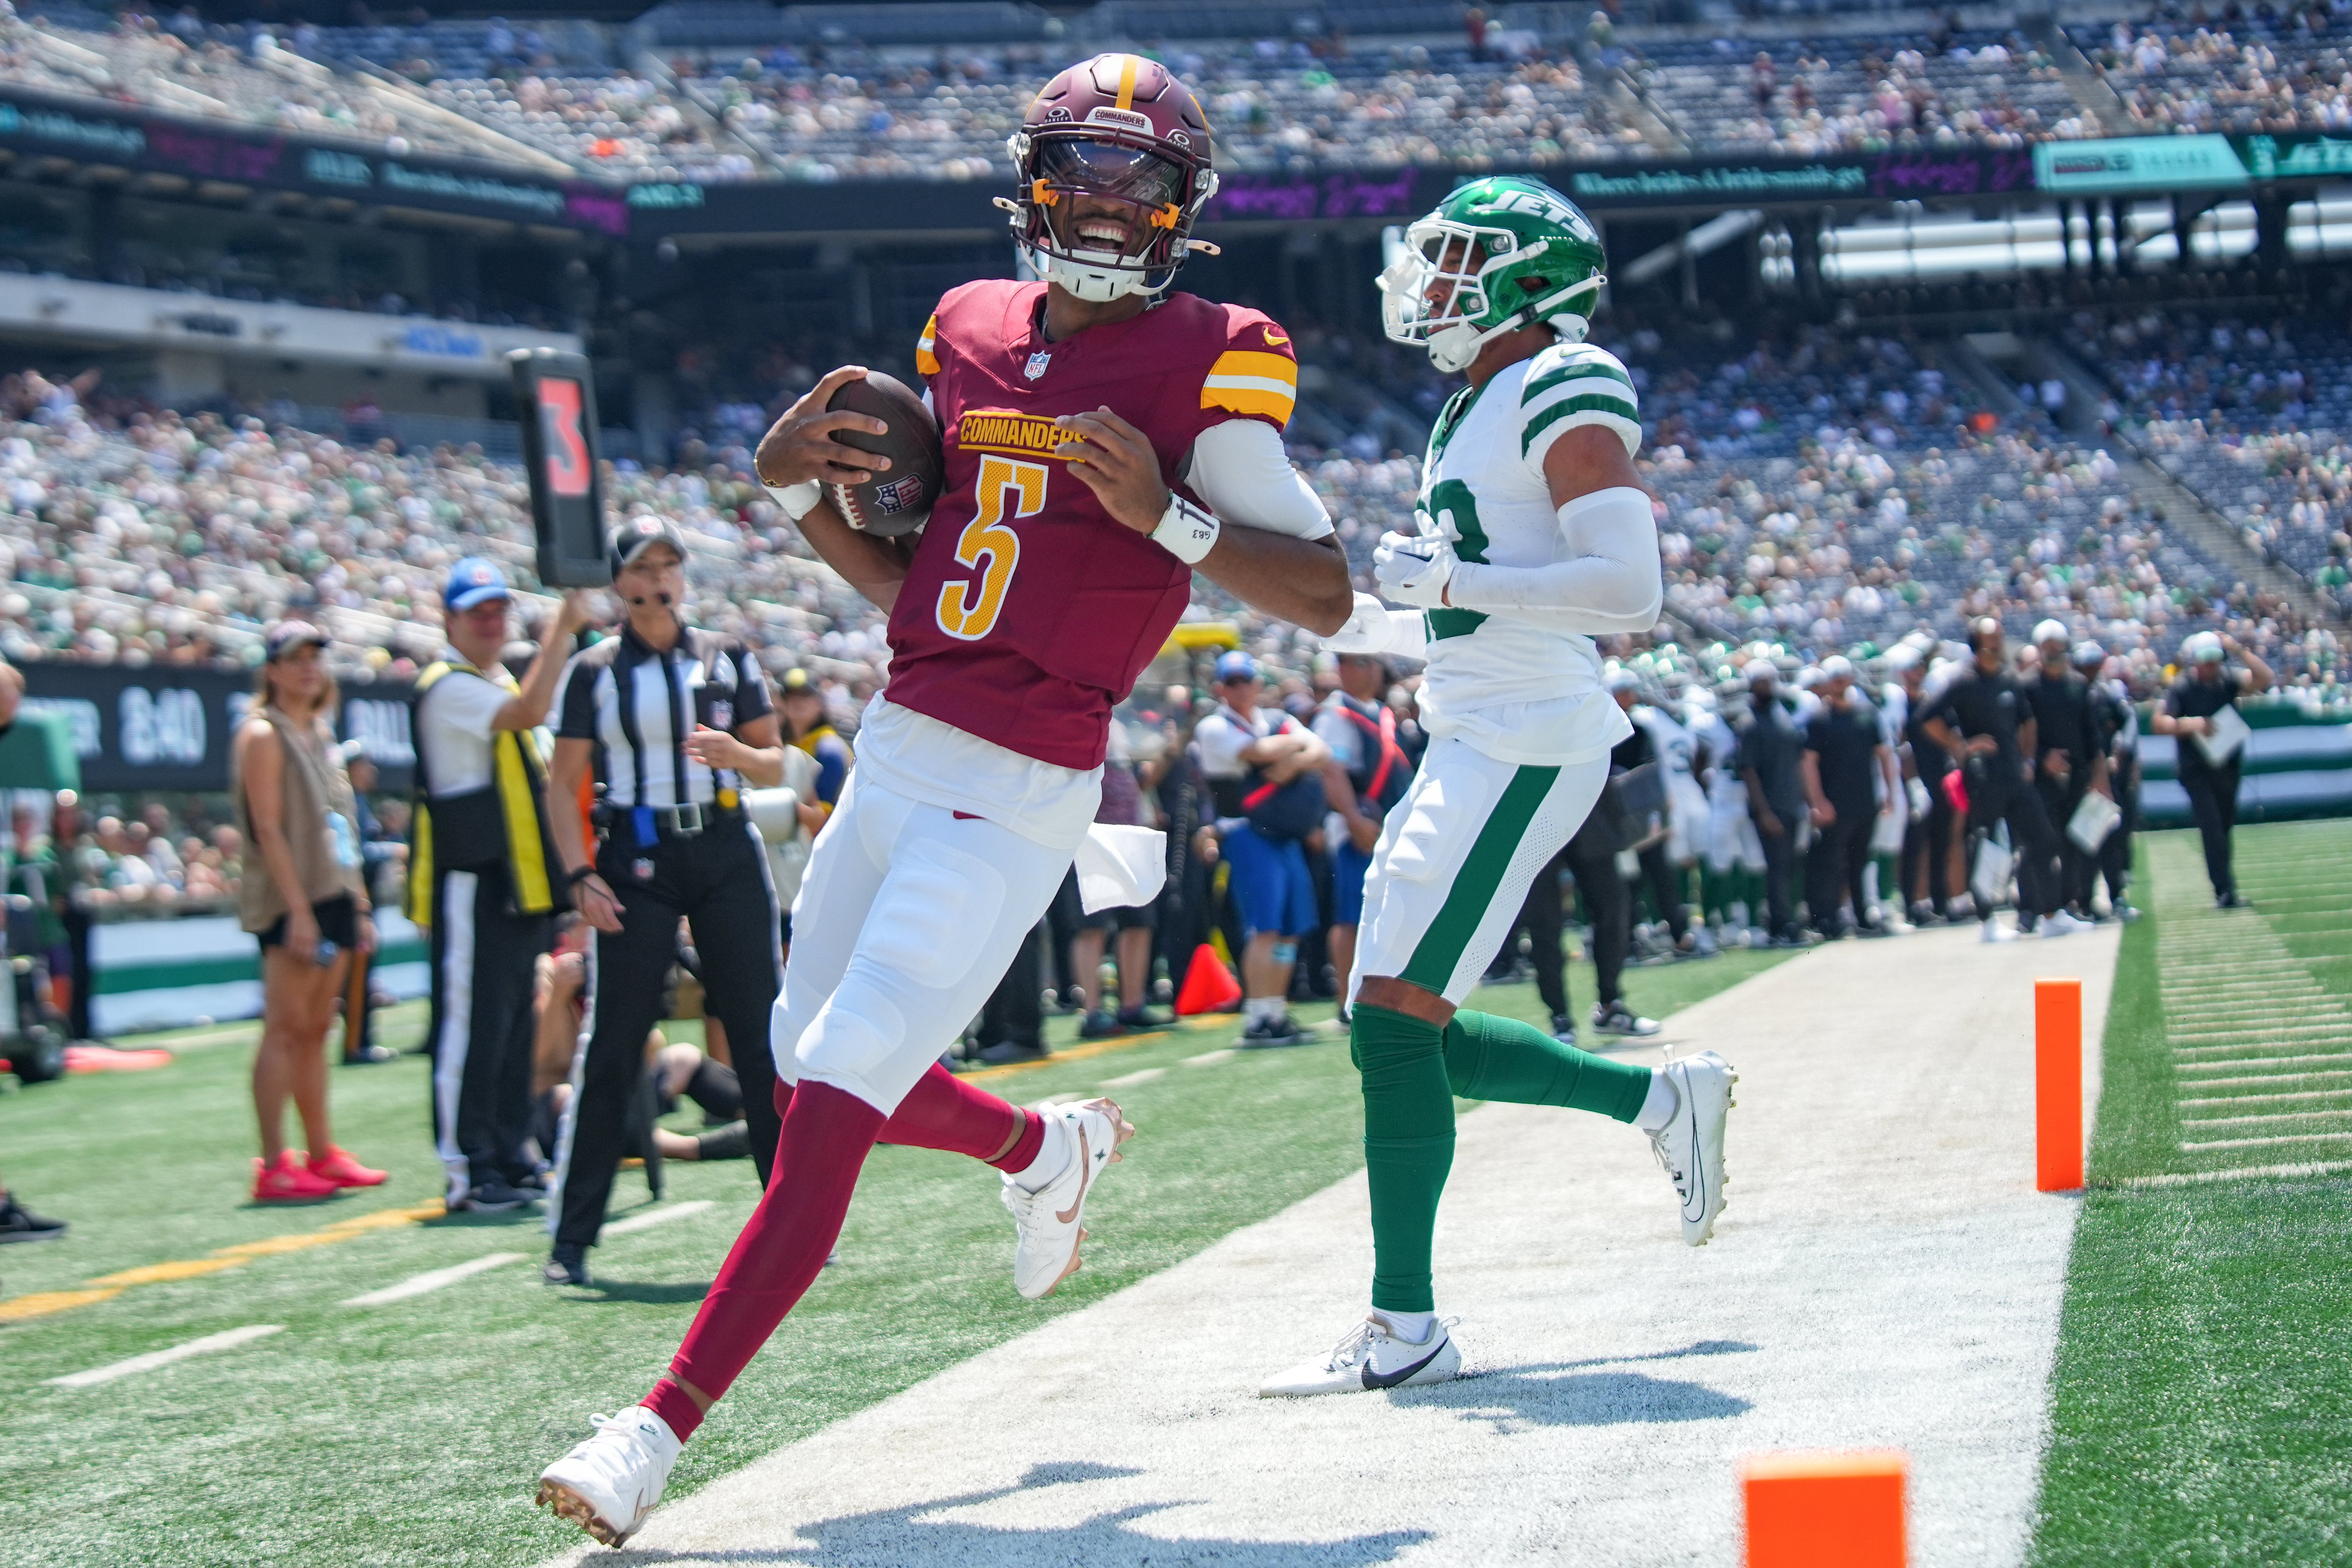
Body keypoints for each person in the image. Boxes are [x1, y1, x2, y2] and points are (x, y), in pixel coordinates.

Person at [534, 52, 1352, 1547]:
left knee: (831, 1098)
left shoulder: (1221, 352)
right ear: (1032, 181)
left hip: (1023, 787)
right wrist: (797, 502)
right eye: (1084, 173)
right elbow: (922, 591)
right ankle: (1046, 1149)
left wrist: (1164, 515)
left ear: (1184, 208)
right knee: (798, 1061)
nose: (1109, 204)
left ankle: (653, 1431)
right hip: (899, 741)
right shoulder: (966, 328)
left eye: (1142, 180)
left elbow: (1326, 589)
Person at [1262, 175, 1734, 1398]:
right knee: (1402, 1029)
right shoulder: (1473, 401)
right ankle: (1656, 1098)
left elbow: (1630, 590)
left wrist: (1456, 590)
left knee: (1391, 1024)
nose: (1429, 278)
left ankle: (1407, 1324)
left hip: (1530, 736)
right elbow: (1457, 605)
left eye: (1457, 257)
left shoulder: (1561, 377)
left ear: (1524, 280)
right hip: (1473, 727)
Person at [541, 521, 788, 1287]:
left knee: (760, 1036)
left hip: (723, 846)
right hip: (635, 859)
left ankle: (795, 1224)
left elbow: (776, 761)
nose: (660, 578)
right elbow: (562, 784)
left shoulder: (727, 658)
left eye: (670, 564)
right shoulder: (595, 671)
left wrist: (738, 756)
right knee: (613, 1040)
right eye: (644, 567)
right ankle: (572, 1239)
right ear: (620, 584)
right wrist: (581, 876)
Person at [410, 559, 590, 1213]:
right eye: (476, 612)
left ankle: (513, 1152)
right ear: (449, 620)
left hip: (519, 883)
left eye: (497, 610)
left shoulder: (487, 678)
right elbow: (529, 711)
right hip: (476, 877)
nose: (490, 622)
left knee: (514, 1024)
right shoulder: (448, 685)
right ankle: (469, 1163)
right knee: (471, 1026)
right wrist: (564, 627)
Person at [231, 621, 387, 1203]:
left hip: (334, 890)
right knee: (286, 1026)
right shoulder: (262, 734)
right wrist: (298, 910)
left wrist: (359, 901)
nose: (307, 668)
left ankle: (320, 1153)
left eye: (314, 657)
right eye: (294, 658)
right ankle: (274, 1162)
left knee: (319, 1027)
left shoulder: (317, 730)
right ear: (271, 670)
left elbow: (341, 826)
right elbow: (267, 828)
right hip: (292, 898)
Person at [1193, 650, 1330, 1046]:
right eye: (1232, 682)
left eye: (1246, 680)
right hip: (1246, 833)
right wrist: (1295, 750)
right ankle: (1257, 1017)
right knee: (1265, 927)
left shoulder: (1269, 721)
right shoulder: (1214, 727)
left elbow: (1320, 751)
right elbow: (1259, 753)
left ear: (1257, 684)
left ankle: (1275, 1009)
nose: (1240, 688)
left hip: (1282, 832)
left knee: (1290, 930)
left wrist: (1292, 762)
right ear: (1221, 688)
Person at [1922, 618, 2069, 942]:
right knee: (1985, 843)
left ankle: (2052, 914)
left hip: (2014, 774)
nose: (1997, 645)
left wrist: (2028, 760)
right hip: (1983, 777)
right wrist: (1961, 746)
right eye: (1991, 640)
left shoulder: (2008, 679)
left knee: (2043, 838)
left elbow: (2027, 721)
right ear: (1976, 645)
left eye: (1999, 639)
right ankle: (1987, 920)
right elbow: (1927, 719)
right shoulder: (1963, 682)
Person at [1314, 651, 1413, 1019]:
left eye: (1372, 663)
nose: (1373, 671)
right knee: (1351, 915)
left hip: (1388, 826)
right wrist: (1354, 818)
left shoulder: (1380, 711)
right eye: (1362, 663)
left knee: (1389, 913)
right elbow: (1332, 770)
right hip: (1358, 829)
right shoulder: (1336, 714)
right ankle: (1348, 999)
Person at [2152, 630, 2272, 908]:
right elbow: (2160, 723)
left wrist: (2238, 650)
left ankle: (2225, 886)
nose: (2211, 667)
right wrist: (2194, 724)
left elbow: (2265, 678)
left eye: (2215, 660)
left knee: (2225, 826)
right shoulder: (2182, 688)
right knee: (2212, 827)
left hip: (2227, 764)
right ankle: (2224, 890)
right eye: (2206, 661)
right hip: (2196, 769)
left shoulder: (2227, 681)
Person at [1800, 655, 1896, 939]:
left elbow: (1883, 755)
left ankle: (1862, 914)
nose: (1841, 681)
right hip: (1835, 803)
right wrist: (1818, 801)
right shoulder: (1819, 720)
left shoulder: (1867, 715)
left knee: (1860, 861)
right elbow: (1808, 762)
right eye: (1835, 677)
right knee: (1831, 862)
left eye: (1845, 676)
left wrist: (1889, 792)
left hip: (1865, 801)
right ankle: (1827, 918)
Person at [2022, 620, 2110, 924]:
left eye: (2059, 650)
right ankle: (2029, 909)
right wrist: (2043, 757)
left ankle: (2072, 903)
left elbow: (2093, 737)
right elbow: (2018, 735)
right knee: (2038, 842)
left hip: (2077, 777)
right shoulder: (2027, 687)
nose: (2054, 656)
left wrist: (2101, 778)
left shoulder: (2079, 686)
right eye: (2049, 651)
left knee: (2077, 844)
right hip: (2041, 778)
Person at [775, 668, 850, 958]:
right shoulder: (786, 745)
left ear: (819, 702)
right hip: (793, 860)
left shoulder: (828, 749)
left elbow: (825, 820)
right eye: (790, 696)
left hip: (820, 864)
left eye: (805, 696)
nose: (797, 703)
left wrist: (771, 806)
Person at [1735, 661, 1805, 946]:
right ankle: (1779, 924)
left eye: (1769, 680)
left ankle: (1791, 919)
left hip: (1791, 801)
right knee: (1776, 868)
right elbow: (1748, 771)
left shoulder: (1783, 714)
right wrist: (1764, 812)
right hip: (1771, 805)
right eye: (1760, 681)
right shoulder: (1749, 722)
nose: (1767, 686)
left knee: (1790, 865)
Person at [1891, 645, 1957, 925]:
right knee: (1913, 846)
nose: (1919, 673)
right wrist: (1912, 782)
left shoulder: (1933, 702)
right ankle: (1911, 905)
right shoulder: (1899, 705)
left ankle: (1940, 902)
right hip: (1915, 783)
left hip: (1939, 778)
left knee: (1941, 842)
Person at [2077, 640, 2140, 921]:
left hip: (2105, 777)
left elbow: (2130, 721)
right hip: (2078, 778)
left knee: (2112, 840)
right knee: (2083, 841)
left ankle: (2116, 897)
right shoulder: (2072, 694)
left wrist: (2120, 752)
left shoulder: (2106, 695)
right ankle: (2084, 902)